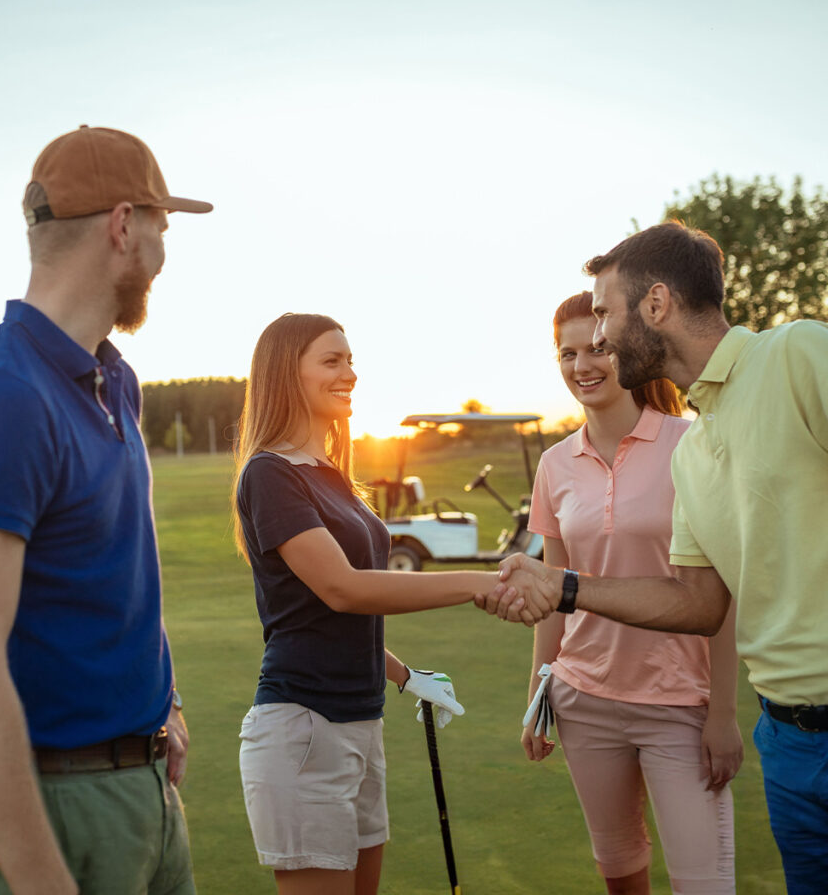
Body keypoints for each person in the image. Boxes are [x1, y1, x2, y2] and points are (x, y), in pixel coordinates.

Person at [487, 221, 828, 895]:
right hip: (789, 739)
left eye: (607, 314)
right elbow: (698, 604)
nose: (601, 340)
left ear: (656, 305)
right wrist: (563, 587)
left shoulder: (798, 353)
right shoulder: (698, 455)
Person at [0, 125, 212, 895]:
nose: (163, 248)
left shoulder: (115, 381)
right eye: (160, 225)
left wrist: (166, 704)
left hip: (146, 790)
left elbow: (111, 573)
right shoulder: (3, 397)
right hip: (55, 808)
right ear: (123, 226)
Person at [232, 312, 498, 895]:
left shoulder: (331, 475)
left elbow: (332, 617)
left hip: (360, 724)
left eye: (350, 359)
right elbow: (343, 588)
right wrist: (480, 581)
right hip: (305, 729)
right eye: (332, 360)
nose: (350, 372)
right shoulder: (270, 475)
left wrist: (407, 676)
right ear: (285, 373)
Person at [523, 290, 740, 895]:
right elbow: (552, 592)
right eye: (566, 354)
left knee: (704, 883)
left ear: (627, 347)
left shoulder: (692, 445)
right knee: (619, 872)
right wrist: (538, 693)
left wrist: (722, 715)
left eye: (596, 348)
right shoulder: (555, 465)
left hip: (679, 706)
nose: (581, 366)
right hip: (582, 700)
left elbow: (719, 598)